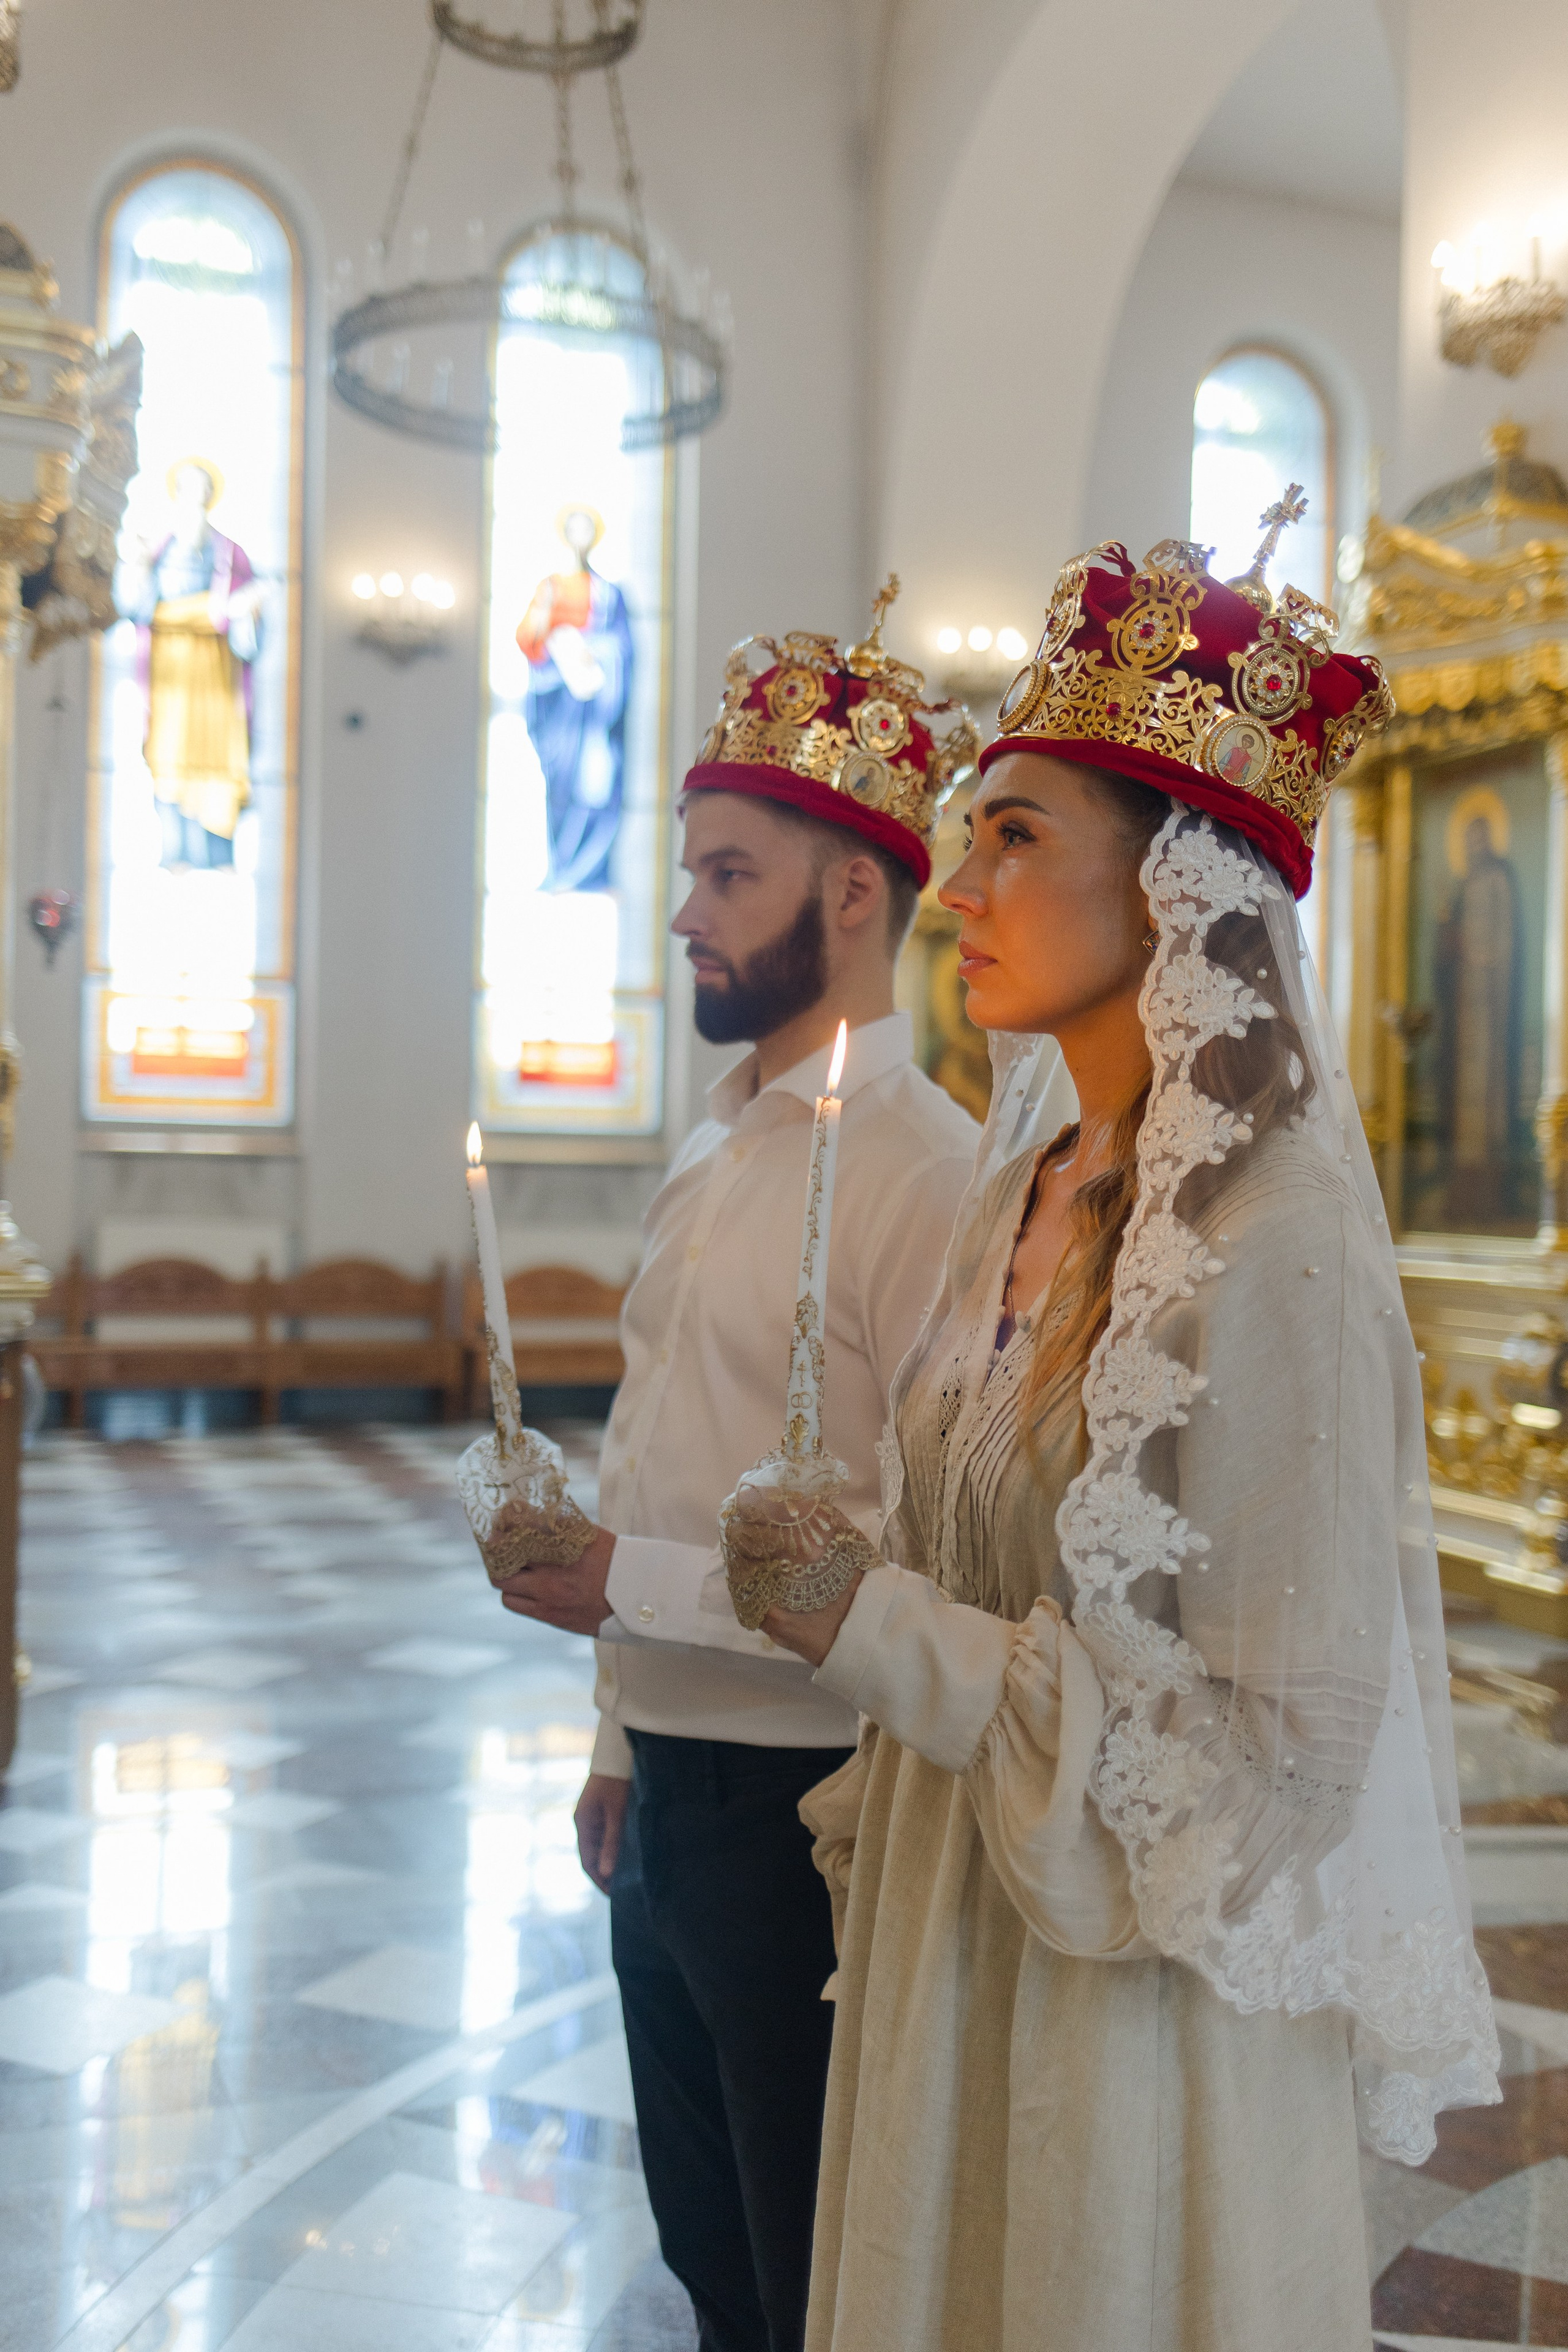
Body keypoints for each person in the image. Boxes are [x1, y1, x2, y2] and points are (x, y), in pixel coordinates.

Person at [723, 530, 1503, 2351]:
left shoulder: (1277, 1230)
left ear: (1172, 891)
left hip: (1128, 2023)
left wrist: (879, 1623)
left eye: (1013, 838)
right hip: (957, 1941)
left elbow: (1276, 1747)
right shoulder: (1033, 1182)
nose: (949, 888)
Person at [494, 581, 981, 2352]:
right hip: (675, 1801)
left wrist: (623, 1593)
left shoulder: (934, 1178)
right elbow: (662, 1455)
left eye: (728, 874)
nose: (684, 913)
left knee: (816, 2270)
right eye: (690, 870)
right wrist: (620, 1729)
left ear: (855, 892)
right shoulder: (711, 1152)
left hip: (818, 1817)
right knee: (710, 2254)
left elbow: (913, 1548)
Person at [118, 458, 263, 872]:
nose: (193, 497)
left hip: (216, 670)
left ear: (211, 496)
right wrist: (139, 567)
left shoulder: (231, 554)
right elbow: (135, 606)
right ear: (176, 494)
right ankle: (175, 851)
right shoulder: (159, 550)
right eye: (186, 488)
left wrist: (244, 612)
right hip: (172, 668)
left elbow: (249, 613)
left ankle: (217, 854)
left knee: (220, 756)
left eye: (201, 489)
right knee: (170, 751)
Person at [516, 504, 635, 894]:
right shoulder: (549, 587)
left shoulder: (609, 592)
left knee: (595, 785)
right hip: (558, 707)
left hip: (595, 709)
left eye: (589, 529)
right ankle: (560, 867)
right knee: (562, 787)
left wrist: (594, 652)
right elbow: (529, 642)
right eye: (575, 529)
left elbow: (623, 646)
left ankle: (589, 871)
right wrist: (557, 641)